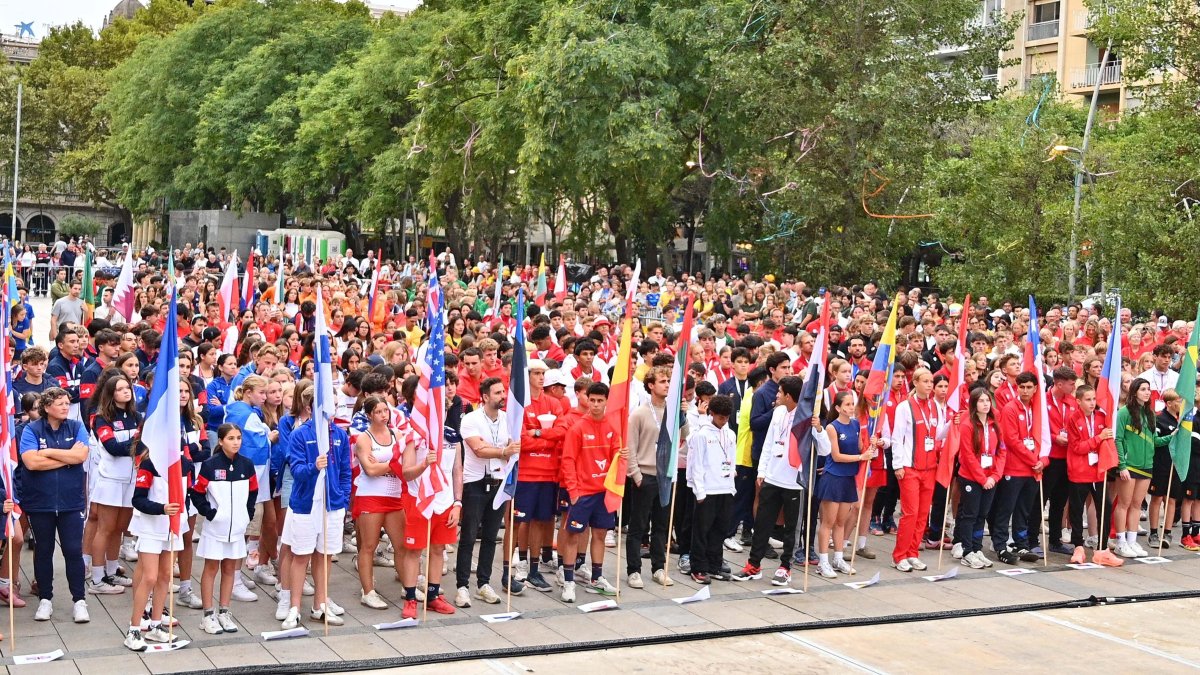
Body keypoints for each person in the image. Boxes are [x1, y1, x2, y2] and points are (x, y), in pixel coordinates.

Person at [279, 390, 352, 629]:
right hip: (305, 506)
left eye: (333, 406)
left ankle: (320, 606)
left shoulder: (340, 434)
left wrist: (342, 497)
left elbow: (345, 471)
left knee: (325, 557)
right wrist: (314, 466)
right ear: (310, 409)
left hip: (332, 506)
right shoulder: (300, 435)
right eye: (325, 407)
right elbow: (297, 472)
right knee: (301, 556)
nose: (330, 412)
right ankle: (294, 608)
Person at [19, 388, 91, 623]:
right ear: (47, 407)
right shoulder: (31, 429)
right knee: (43, 551)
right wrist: (65, 458)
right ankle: (45, 600)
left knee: (72, 551)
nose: (65, 407)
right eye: (60, 403)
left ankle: (79, 601)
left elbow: (80, 457)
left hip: (71, 502)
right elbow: (31, 463)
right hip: (40, 502)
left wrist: (48, 452)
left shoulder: (76, 426)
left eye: (67, 403)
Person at [455, 377, 523, 607]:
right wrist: (503, 451)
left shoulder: (508, 419)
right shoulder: (471, 419)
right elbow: (478, 449)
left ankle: (483, 583)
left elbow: (516, 447)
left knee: (491, 537)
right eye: (497, 393)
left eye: (503, 392)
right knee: (468, 536)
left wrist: (503, 450)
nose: (502, 396)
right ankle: (462, 586)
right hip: (474, 483)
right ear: (485, 397)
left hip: (499, 483)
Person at [733, 376, 803, 585]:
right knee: (762, 523)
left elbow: (823, 448)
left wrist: (817, 430)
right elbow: (769, 443)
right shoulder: (778, 412)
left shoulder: (806, 416)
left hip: (793, 481)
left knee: (791, 528)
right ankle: (753, 565)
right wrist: (762, 470)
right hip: (772, 476)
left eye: (780, 393)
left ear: (789, 396)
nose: (776, 396)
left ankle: (785, 567)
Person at [192, 424, 258, 635]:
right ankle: (208, 615)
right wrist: (210, 514)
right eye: (231, 438)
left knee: (230, 569)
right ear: (221, 441)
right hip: (215, 530)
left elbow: (253, 493)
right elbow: (197, 493)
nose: (236, 442)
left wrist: (247, 515)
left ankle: (224, 611)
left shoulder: (247, 465)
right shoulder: (210, 466)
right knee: (211, 569)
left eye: (238, 438)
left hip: (237, 530)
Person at [124, 437, 189, 651]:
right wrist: (162, 508)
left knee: (164, 577)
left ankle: (156, 624)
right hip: (151, 527)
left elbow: (186, 494)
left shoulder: (184, 466)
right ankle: (134, 629)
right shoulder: (149, 464)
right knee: (149, 577)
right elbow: (138, 499)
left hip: (172, 527)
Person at [558, 382, 621, 600]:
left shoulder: (613, 427)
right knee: (573, 536)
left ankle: (597, 579)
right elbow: (567, 461)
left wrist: (623, 457)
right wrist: (574, 492)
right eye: (592, 400)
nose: (595, 405)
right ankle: (568, 582)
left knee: (600, 535)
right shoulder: (578, 428)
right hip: (583, 494)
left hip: (604, 494)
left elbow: (615, 460)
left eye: (599, 401)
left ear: (606, 402)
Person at [351, 396, 408, 611]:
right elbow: (370, 470)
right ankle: (368, 592)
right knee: (368, 546)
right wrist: (393, 464)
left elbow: (406, 463)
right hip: (370, 496)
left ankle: (407, 585)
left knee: (401, 545)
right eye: (378, 412)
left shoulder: (398, 435)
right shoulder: (364, 439)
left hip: (393, 496)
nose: (384, 415)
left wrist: (384, 464)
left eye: (386, 410)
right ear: (369, 416)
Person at [87, 375, 141, 595]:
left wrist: (135, 444)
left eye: (127, 387)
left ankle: (111, 570)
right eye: (119, 389)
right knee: (105, 529)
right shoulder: (102, 418)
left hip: (131, 480)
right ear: (111, 393)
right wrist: (137, 443)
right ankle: (97, 578)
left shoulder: (136, 416)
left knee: (119, 528)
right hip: (110, 480)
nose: (125, 392)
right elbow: (113, 448)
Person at [625, 366, 679, 588]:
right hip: (645, 475)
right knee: (638, 526)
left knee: (661, 526)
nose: (667, 384)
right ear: (650, 385)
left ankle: (658, 567)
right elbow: (630, 446)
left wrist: (682, 416)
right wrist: (636, 475)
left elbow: (683, 436)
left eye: (668, 381)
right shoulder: (639, 413)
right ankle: (633, 570)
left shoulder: (672, 410)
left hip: (665, 476)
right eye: (663, 381)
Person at [889, 368, 945, 572]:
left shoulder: (935, 406)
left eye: (931, 381)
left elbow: (938, 434)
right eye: (926, 381)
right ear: (915, 383)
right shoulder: (905, 407)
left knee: (923, 514)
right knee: (910, 513)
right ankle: (899, 555)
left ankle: (913, 553)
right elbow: (897, 437)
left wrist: (951, 425)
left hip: (930, 467)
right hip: (910, 467)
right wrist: (897, 465)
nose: (930, 385)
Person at [1112, 378, 1175, 558]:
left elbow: (1154, 441)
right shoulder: (1124, 413)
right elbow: (1117, 439)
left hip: (1147, 465)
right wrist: (1121, 465)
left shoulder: (1150, 414)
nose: (1147, 393)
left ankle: (1132, 541)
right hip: (1129, 465)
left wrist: (1172, 437)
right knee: (1123, 504)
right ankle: (1120, 542)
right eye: (1143, 389)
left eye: (1148, 389)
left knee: (1137, 505)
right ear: (1134, 392)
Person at [814, 390, 873, 578]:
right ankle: (822, 562)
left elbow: (859, 448)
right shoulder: (832, 427)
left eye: (852, 403)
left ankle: (838, 558)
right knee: (827, 522)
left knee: (841, 522)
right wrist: (860, 456)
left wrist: (870, 446)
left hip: (848, 477)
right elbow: (836, 456)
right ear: (838, 407)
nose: (851, 407)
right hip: (834, 478)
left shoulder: (856, 424)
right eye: (847, 404)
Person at [1065, 385, 1122, 567]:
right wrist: (1098, 438)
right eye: (1088, 400)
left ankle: (1102, 548)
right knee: (1076, 509)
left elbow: (1106, 440)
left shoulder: (1101, 417)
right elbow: (1077, 447)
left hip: (1098, 471)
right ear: (1079, 401)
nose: (1092, 403)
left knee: (1104, 508)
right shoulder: (1073, 419)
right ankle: (1078, 546)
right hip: (1079, 471)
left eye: (1094, 399)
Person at [993, 372, 1045, 565]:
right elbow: (1011, 440)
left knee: (1024, 509)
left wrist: (1042, 461)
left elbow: (1043, 437)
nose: (1025, 391)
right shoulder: (1010, 409)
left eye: (1029, 387)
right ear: (1017, 388)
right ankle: (1000, 545)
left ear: (1035, 389)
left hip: (1032, 469)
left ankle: (1020, 543)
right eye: (1021, 387)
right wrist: (1034, 460)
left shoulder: (1036, 409)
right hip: (1014, 468)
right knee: (1005, 508)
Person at [686, 394, 737, 584]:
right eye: (720, 417)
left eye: (726, 418)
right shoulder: (702, 435)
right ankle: (698, 567)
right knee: (702, 530)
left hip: (725, 488)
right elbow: (696, 464)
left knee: (720, 530)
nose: (723, 421)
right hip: (707, 489)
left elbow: (731, 459)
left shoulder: (730, 434)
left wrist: (732, 485)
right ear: (711, 414)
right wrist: (699, 491)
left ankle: (714, 564)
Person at [953, 388, 1004, 569]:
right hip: (972, 478)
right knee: (970, 514)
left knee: (982, 514)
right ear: (974, 404)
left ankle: (976, 548)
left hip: (991, 477)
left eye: (987, 400)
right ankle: (967, 551)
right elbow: (967, 456)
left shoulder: (994, 424)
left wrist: (995, 475)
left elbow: (1001, 451)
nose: (985, 404)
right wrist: (982, 479)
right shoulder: (968, 425)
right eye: (981, 401)